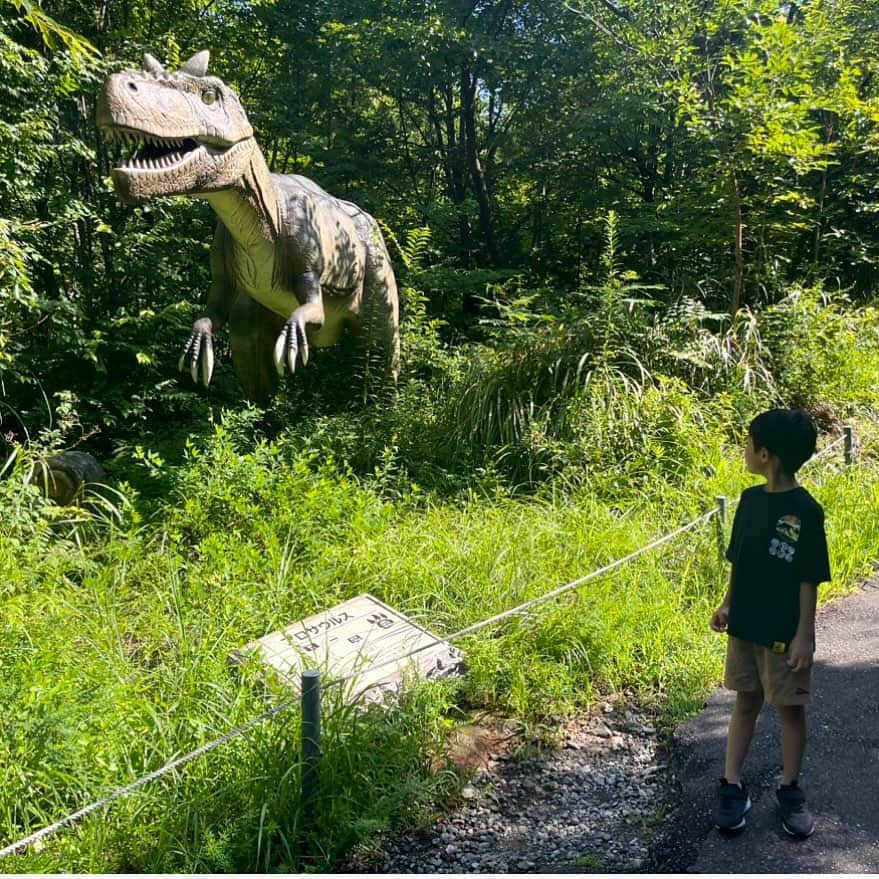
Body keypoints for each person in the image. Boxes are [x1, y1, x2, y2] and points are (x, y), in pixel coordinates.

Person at [710, 408, 831, 839]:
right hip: (746, 624)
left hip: (784, 634)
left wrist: (805, 636)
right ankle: (732, 785)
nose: (744, 451)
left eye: (747, 444)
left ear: (765, 454)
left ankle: (791, 788)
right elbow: (738, 560)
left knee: (790, 709)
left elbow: (809, 577)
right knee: (745, 700)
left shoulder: (806, 510)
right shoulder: (749, 500)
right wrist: (727, 603)